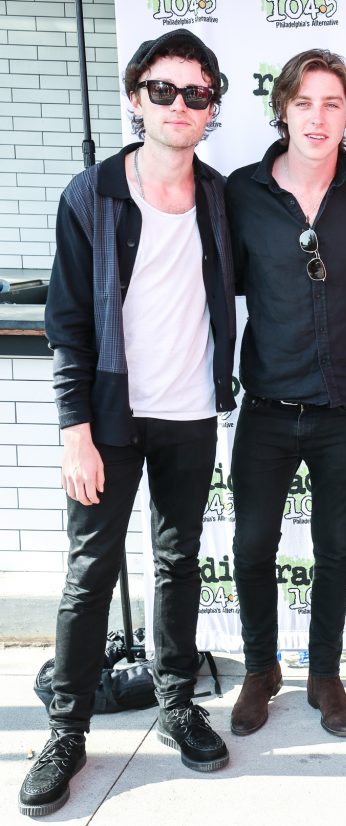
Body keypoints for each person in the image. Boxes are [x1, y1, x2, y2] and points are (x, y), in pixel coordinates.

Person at [21, 29, 234, 817]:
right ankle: (67, 730)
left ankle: (177, 701)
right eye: (164, 91)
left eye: (197, 93)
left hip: (189, 412)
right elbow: (66, 321)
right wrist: (74, 428)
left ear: (211, 106)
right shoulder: (92, 194)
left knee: (179, 561)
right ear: (137, 98)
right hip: (108, 417)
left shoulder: (217, 194)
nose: (181, 105)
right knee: (90, 571)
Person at [225, 49, 346, 739]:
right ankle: (259, 668)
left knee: (334, 550)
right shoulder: (240, 192)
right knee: (250, 547)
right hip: (266, 407)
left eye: (332, 103)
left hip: (345, 410)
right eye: (304, 102)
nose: (318, 117)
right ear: (282, 110)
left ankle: (324, 672)